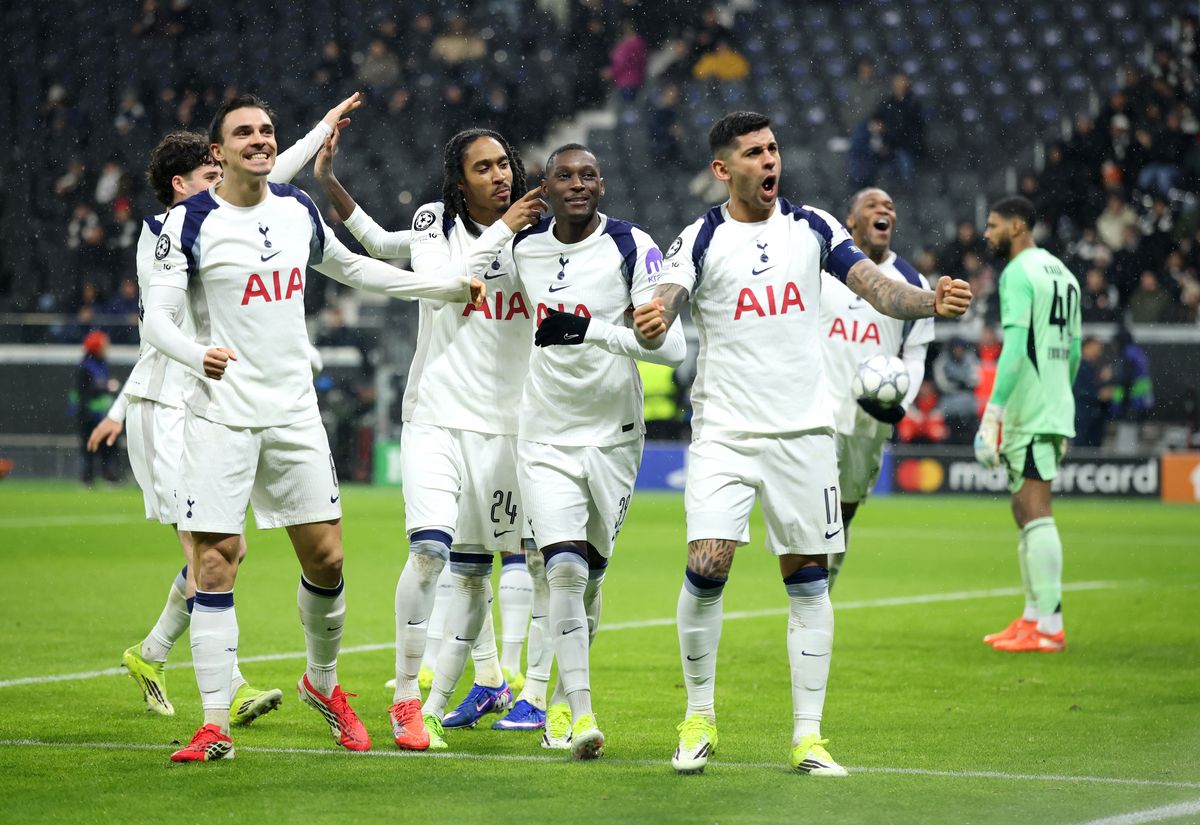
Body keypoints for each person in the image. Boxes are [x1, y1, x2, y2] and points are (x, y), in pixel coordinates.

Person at [142, 94, 484, 763]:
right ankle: (215, 724)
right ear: (218, 151)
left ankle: (323, 685)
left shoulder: (296, 210)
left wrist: (441, 289)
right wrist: (195, 353)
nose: (260, 140)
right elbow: (155, 316)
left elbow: (353, 267)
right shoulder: (188, 223)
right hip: (220, 415)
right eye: (244, 132)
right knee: (212, 563)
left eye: (267, 130)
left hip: (294, 412)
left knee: (327, 559)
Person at [634, 111, 970, 775]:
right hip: (726, 432)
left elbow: (878, 288)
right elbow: (666, 301)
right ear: (723, 169)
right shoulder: (700, 235)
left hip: (804, 432)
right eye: (754, 153)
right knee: (708, 565)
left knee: (808, 581)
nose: (769, 161)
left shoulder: (813, 226)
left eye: (773, 149)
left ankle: (809, 737)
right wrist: (651, 322)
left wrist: (931, 302)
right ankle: (697, 715)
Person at [87, 94, 364, 723]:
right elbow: (154, 331)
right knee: (215, 552)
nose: (222, 186)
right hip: (171, 402)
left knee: (225, 553)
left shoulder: (238, 217)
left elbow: (277, 172)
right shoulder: (165, 233)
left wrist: (320, 125)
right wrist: (125, 404)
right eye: (210, 177)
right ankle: (226, 690)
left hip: (216, 395)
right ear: (181, 185)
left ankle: (155, 652)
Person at [314, 125, 545, 750]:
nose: (500, 176)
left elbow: (376, 241)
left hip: (510, 429)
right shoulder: (435, 224)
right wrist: (330, 183)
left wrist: (332, 186)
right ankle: (405, 698)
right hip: (437, 416)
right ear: (458, 181)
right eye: (484, 168)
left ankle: (518, 684)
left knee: (494, 566)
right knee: (430, 551)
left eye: (505, 164)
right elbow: (443, 280)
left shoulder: (543, 240)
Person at [511, 143, 686, 759]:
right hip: (543, 433)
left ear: (602, 186)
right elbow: (470, 284)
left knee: (589, 580)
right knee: (560, 568)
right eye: (565, 176)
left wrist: (594, 331)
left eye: (589, 175)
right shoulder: (521, 246)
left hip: (613, 436)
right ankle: (578, 712)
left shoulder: (632, 247)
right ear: (546, 186)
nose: (578, 184)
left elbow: (672, 351)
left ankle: (558, 692)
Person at [975, 196, 1081, 654]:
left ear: (1018, 226)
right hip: (1052, 403)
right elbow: (1074, 351)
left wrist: (993, 414)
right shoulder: (1065, 274)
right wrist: (1060, 399)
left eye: (994, 225)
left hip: (1030, 409)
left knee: (1035, 509)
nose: (986, 234)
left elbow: (1015, 350)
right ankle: (1033, 617)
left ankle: (1050, 627)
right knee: (1023, 510)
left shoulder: (1017, 273)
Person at [819, 188, 934, 589]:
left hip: (869, 423)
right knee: (818, 507)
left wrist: (900, 401)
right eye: (873, 205)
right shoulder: (821, 271)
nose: (884, 210)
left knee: (843, 513)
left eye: (890, 206)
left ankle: (821, 592)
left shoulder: (911, 281)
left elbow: (916, 352)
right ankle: (809, 597)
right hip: (819, 414)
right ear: (851, 221)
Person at [73, 330, 119, 485]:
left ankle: (107, 476)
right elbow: (83, 391)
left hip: (102, 413)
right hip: (88, 415)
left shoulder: (102, 363)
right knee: (89, 446)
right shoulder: (85, 366)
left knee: (107, 446)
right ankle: (87, 478)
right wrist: (105, 387)